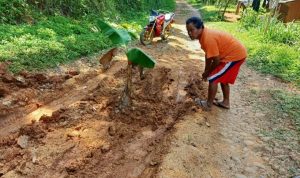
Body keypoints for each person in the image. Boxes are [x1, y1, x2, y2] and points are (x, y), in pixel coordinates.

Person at [186, 17, 247, 110]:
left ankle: (208, 104)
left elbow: (216, 60)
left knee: (213, 78)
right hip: (234, 54)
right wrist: (206, 70)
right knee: (222, 77)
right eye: (188, 31)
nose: (189, 33)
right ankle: (226, 102)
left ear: (200, 28)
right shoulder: (203, 36)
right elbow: (208, 56)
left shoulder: (207, 38)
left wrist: (208, 73)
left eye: (192, 30)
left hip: (234, 56)